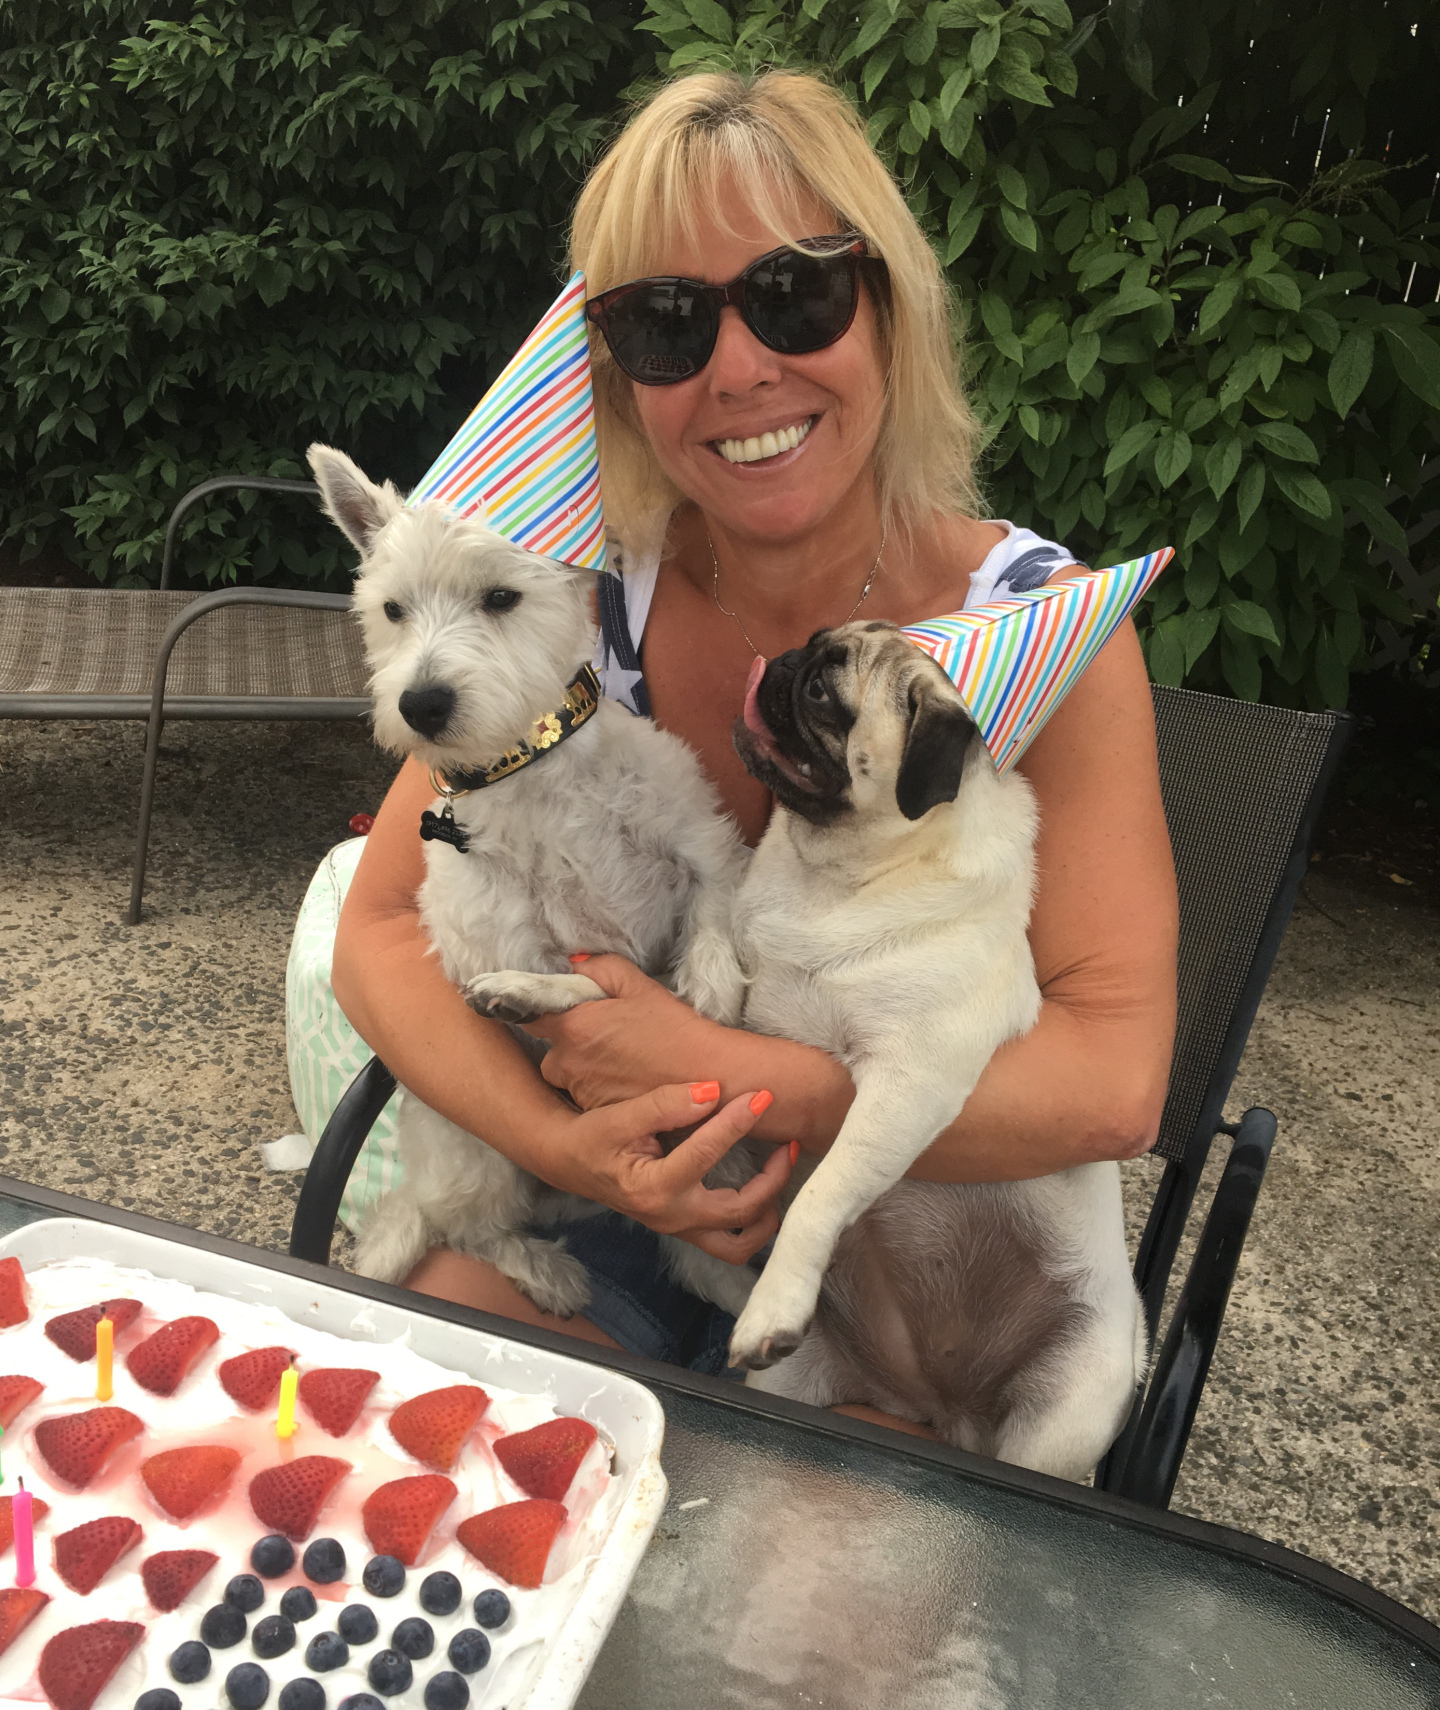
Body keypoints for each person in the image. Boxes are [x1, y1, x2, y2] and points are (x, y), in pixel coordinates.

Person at [332, 69, 1179, 1413]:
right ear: (617, 372)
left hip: (903, 1265)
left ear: (888, 311)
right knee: (438, 1439)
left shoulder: (1027, 630)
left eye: (796, 293)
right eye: (666, 322)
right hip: (614, 1216)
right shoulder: (575, 600)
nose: (738, 367)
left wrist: (734, 1079)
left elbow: (1116, 1078)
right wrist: (580, 1150)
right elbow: (378, 932)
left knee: (806, 1602)